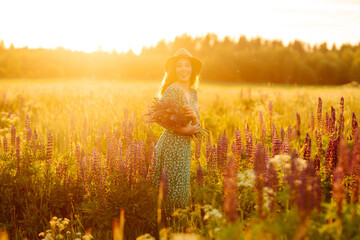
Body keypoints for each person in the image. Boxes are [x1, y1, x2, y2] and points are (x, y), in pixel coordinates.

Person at [151, 48, 202, 213]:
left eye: (187, 65)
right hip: (171, 145)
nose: (183, 69)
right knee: (170, 188)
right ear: (174, 69)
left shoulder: (193, 93)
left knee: (181, 187)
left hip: (184, 147)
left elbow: (198, 122)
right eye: (179, 66)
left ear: (192, 69)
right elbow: (160, 117)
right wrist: (183, 131)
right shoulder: (173, 89)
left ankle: (177, 222)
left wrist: (194, 118)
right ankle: (167, 222)